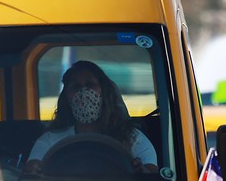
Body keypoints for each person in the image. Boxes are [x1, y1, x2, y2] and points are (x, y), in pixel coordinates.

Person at [24, 60, 158, 174]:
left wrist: (141, 171)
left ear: (105, 92)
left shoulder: (132, 137)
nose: (84, 92)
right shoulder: (49, 140)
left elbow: (152, 175)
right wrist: (37, 169)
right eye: (75, 87)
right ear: (66, 97)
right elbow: (32, 172)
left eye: (90, 85)